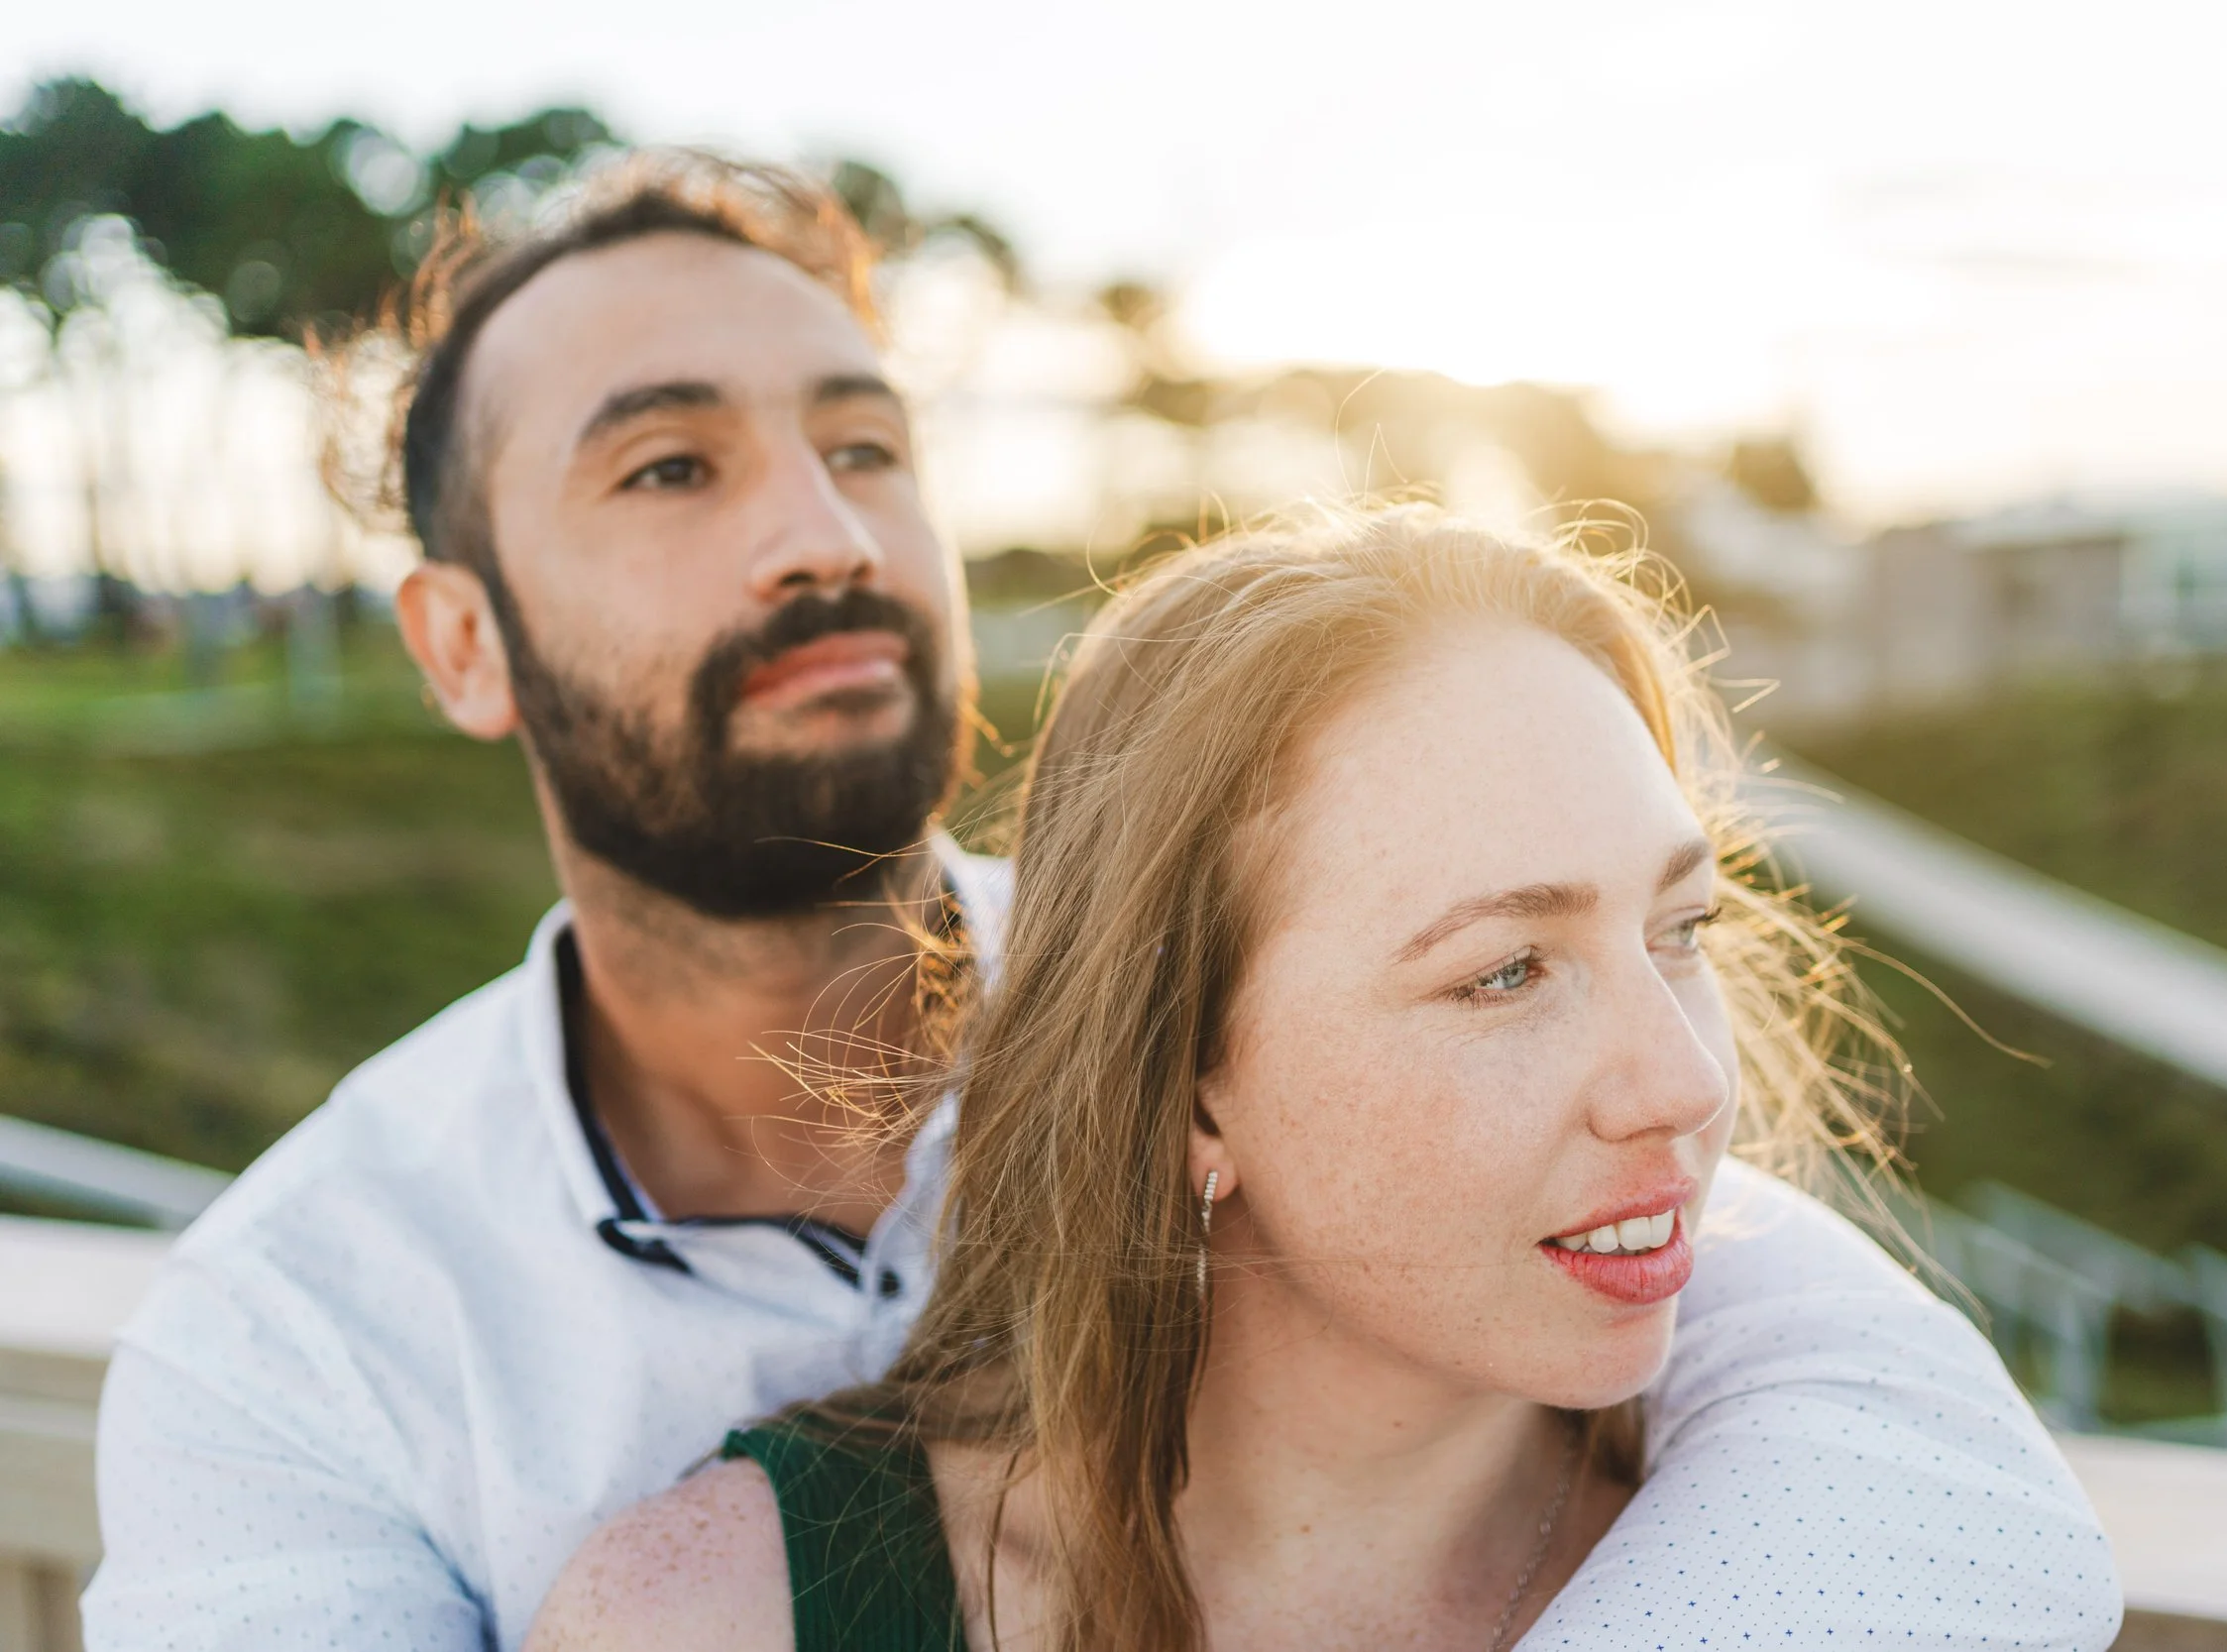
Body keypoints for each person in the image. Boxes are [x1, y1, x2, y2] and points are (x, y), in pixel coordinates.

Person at [83, 153, 2118, 1651]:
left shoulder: (1265, 969)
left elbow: (1877, 1404)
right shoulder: (303, 1335)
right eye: (669, 472)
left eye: (863, 442)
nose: (819, 530)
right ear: (456, 639)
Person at [527, 510, 2118, 1652]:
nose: (1685, 1083)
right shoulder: (725, 1614)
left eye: (1679, 927)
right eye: (1504, 971)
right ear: (1183, 1084)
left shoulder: (1824, 1562)